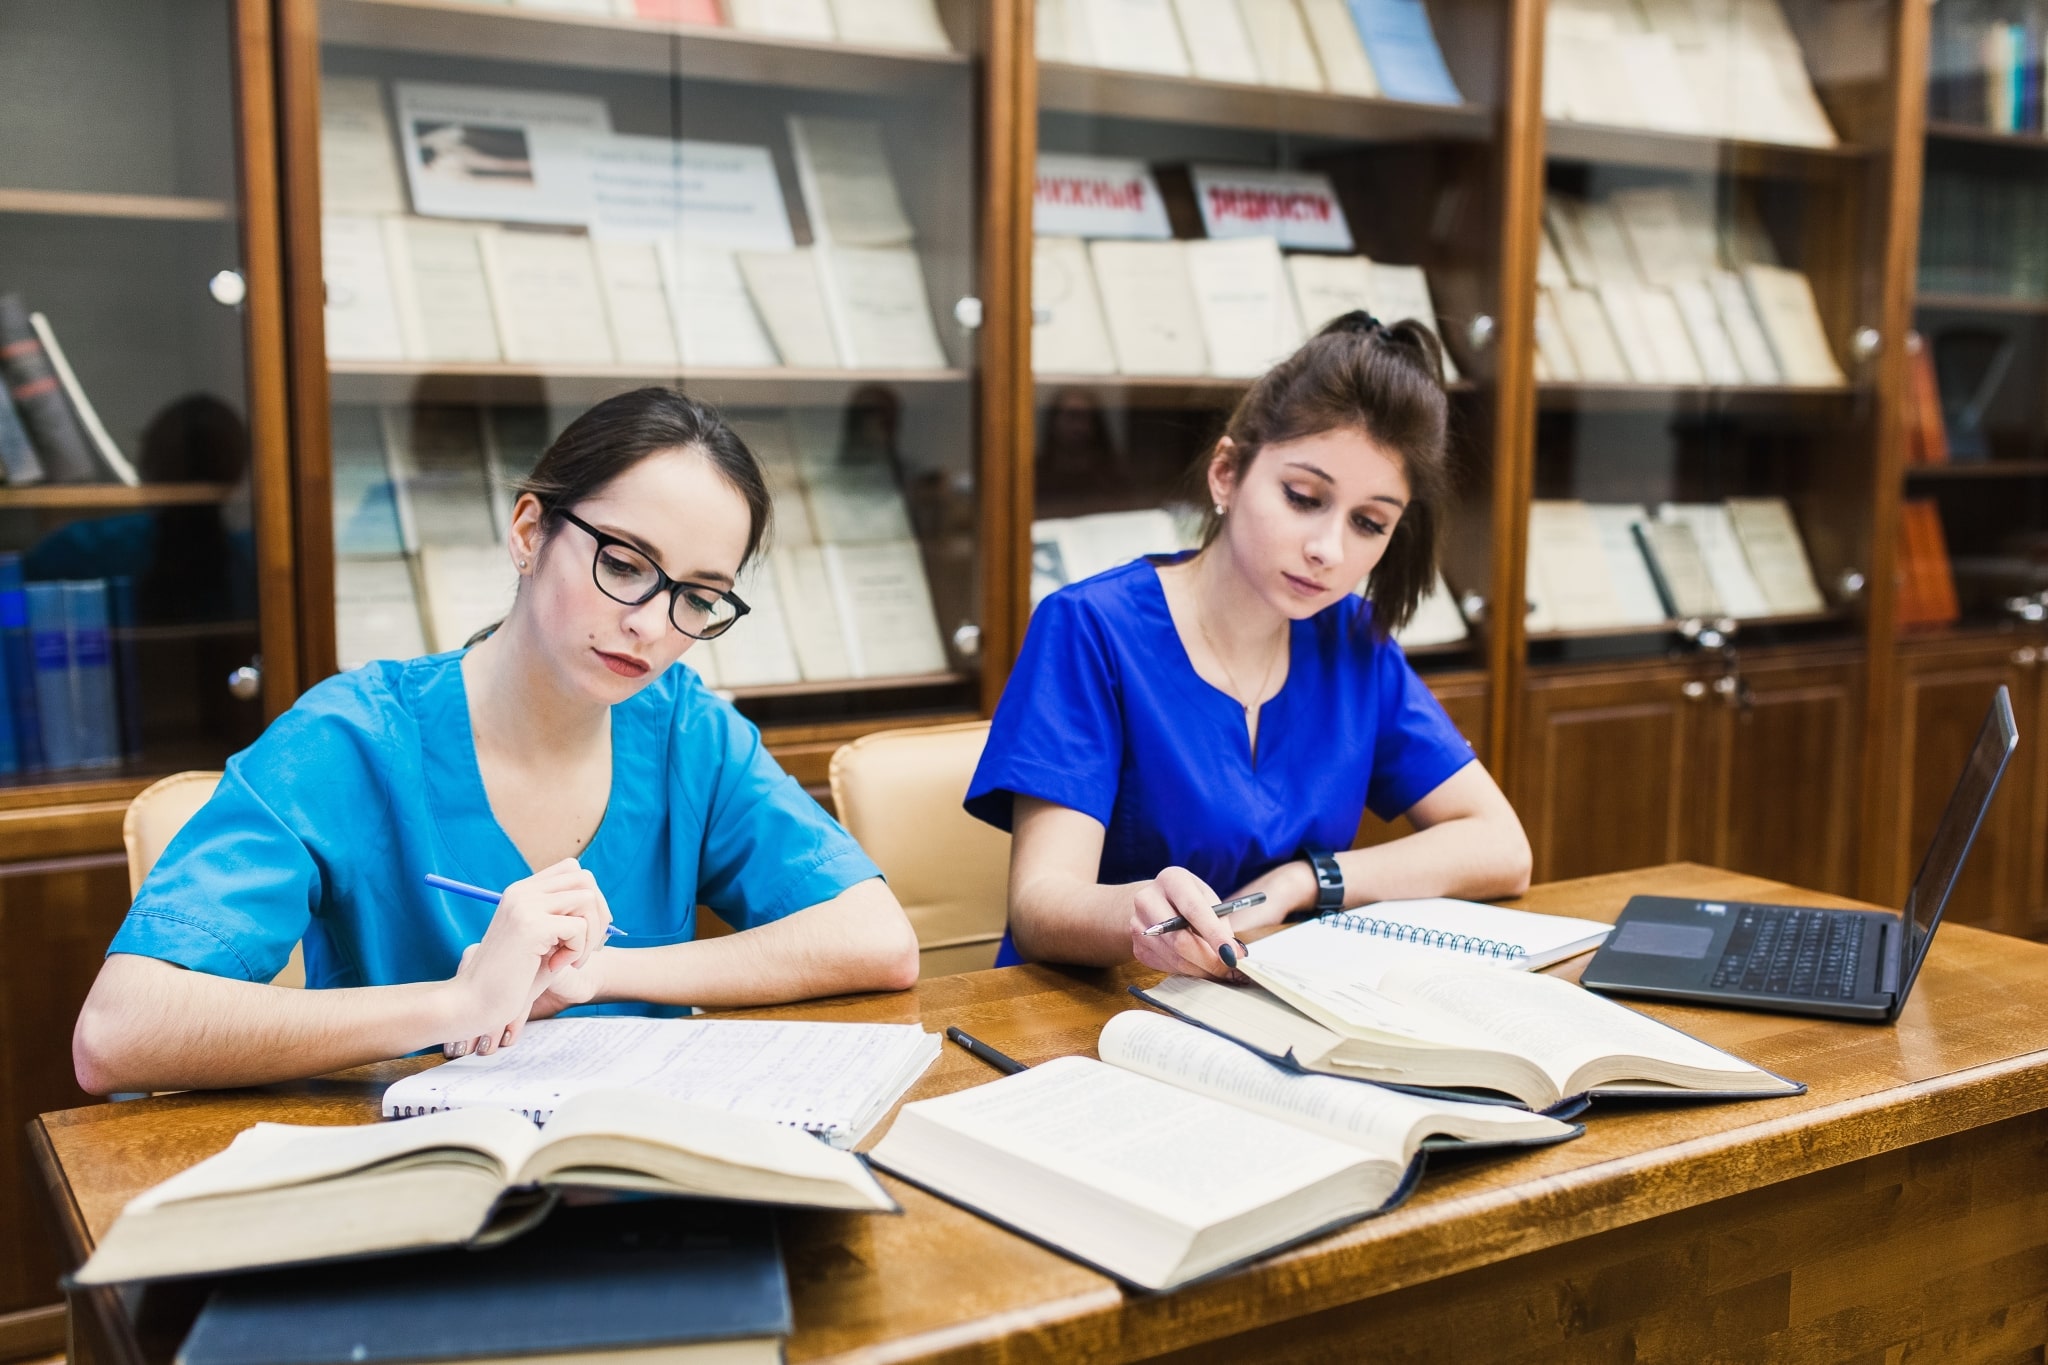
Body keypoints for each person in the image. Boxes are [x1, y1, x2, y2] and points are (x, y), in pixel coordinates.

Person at [73, 388, 921, 1095]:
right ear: (528, 531)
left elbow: (875, 940)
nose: (652, 625)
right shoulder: (350, 739)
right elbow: (119, 1030)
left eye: (698, 598)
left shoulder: (685, 730)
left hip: (640, 1187)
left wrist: (601, 976)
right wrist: (461, 1002)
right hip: (416, 1189)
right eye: (624, 564)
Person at [965, 313, 1532, 980]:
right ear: (1227, 474)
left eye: (1369, 523)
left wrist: (1306, 880)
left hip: (1265, 1008)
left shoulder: (1354, 641)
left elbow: (1502, 847)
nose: (1328, 549)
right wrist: (1144, 916)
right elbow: (1040, 905)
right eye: (1302, 497)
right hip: (1093, 1014)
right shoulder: (1090, 628)